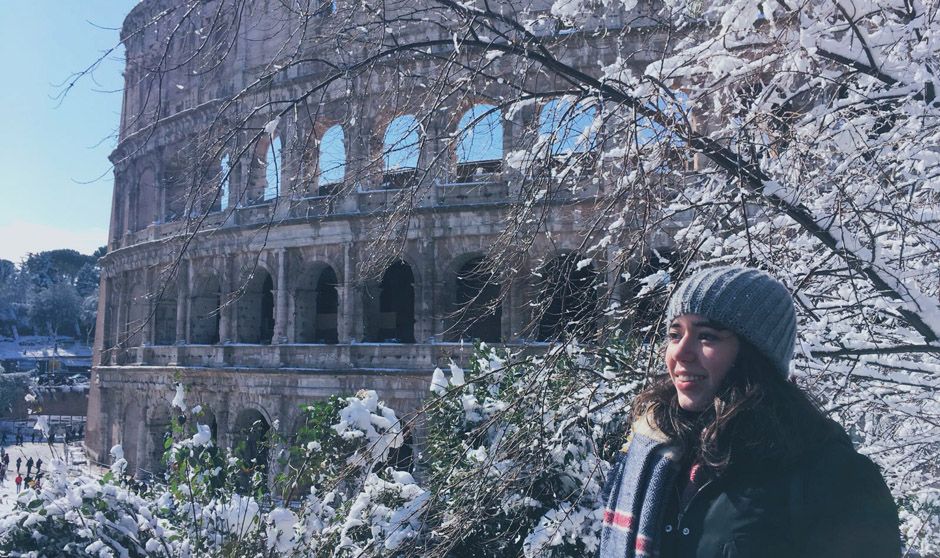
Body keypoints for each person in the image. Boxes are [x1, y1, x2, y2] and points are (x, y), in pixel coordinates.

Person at [598, 266, 900, 558]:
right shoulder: (654, 455)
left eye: (707, 336)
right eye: (675, 335)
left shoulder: (831, 476)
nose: (680, 352)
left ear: (755, 355)